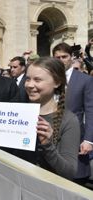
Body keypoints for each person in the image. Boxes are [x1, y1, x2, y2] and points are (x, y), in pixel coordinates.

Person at [22, 57, 80, 179]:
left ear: (57, 82)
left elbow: (70, 172)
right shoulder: (18, 113)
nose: (30, 85)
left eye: (37, 80)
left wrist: (47, 145)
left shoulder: (68, 121)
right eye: (27, 79)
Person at [52, 42, 93, 184]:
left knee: (76, 181)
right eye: (57, 57)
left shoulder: (85, 80)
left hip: (76, 139)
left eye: (64, 56)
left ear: (71, 57)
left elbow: (90, 110)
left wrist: (88, 140)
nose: (61, 60)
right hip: (51, 139)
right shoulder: (47, 79)